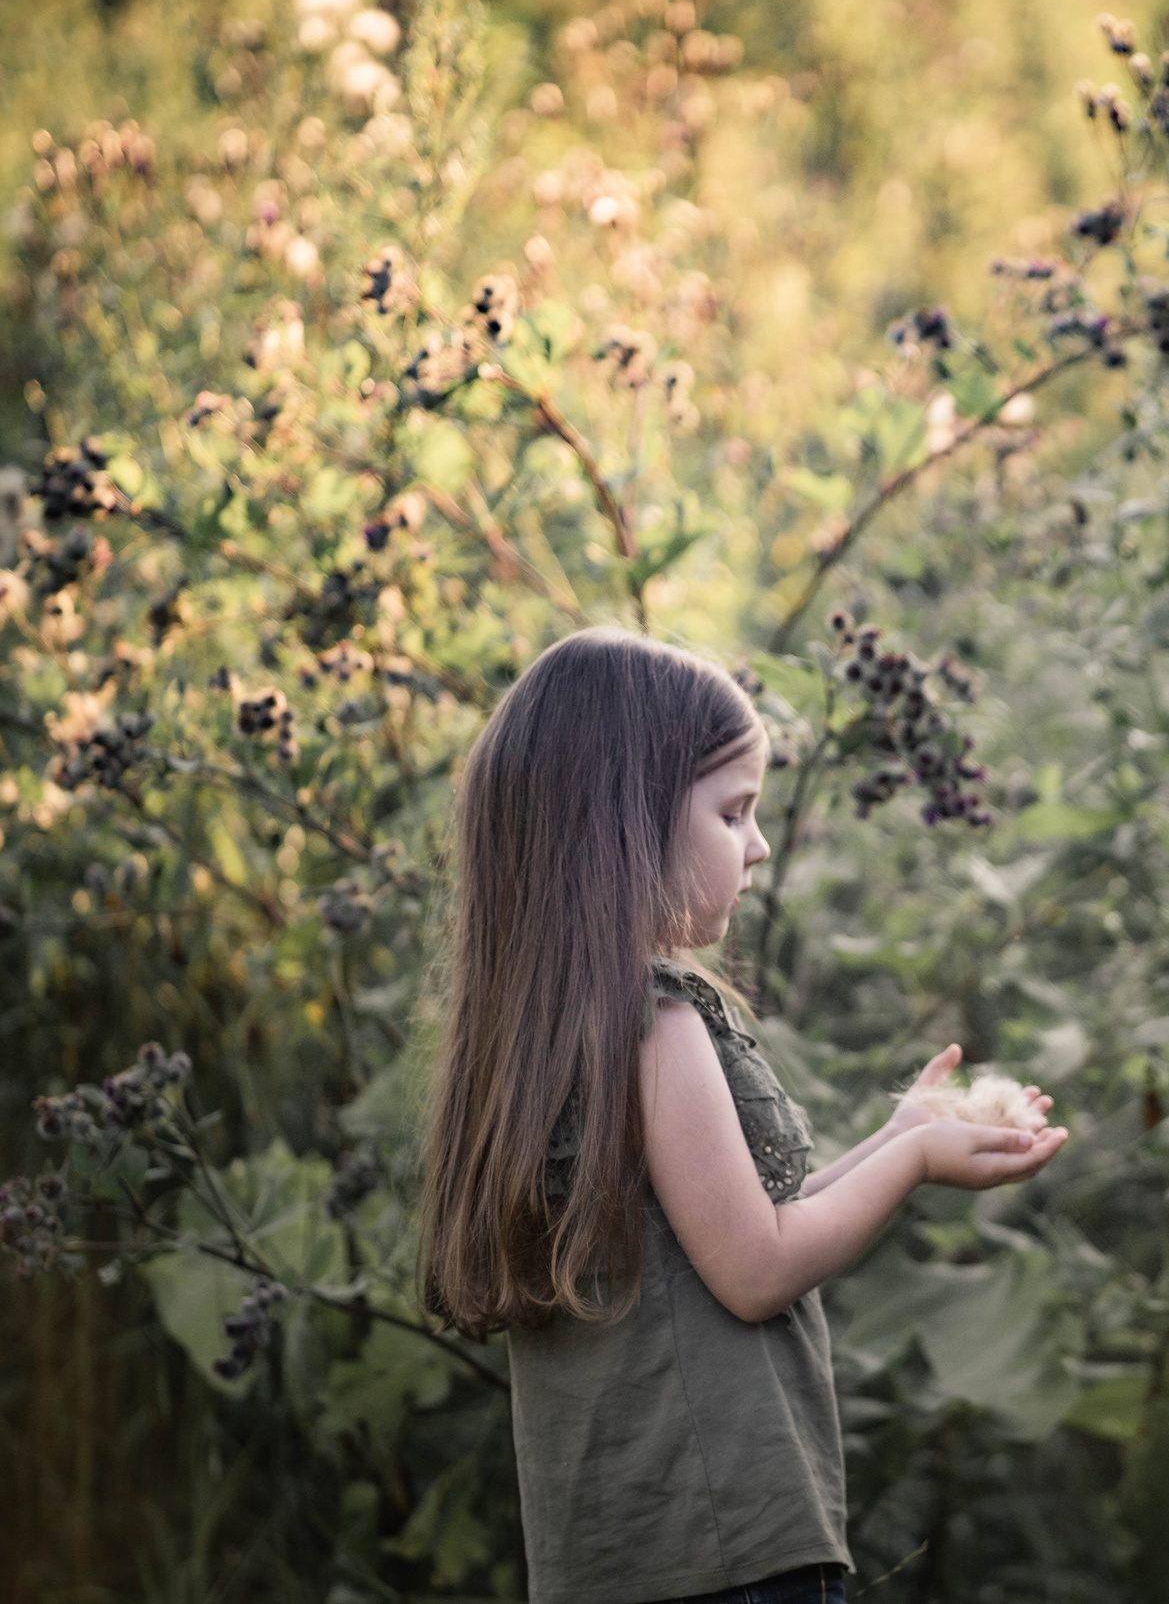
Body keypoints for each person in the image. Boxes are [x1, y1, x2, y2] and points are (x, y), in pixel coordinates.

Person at [415, 628, 1068, 1604]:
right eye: (734, 812)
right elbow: (757, 1268)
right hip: (726, 1548)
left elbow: (715, 1231)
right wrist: (917, 1162)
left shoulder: (548, 1028)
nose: (758, 846)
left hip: (616, 1558)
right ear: (624, 823)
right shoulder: (656, 1022)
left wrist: (897, 1138)